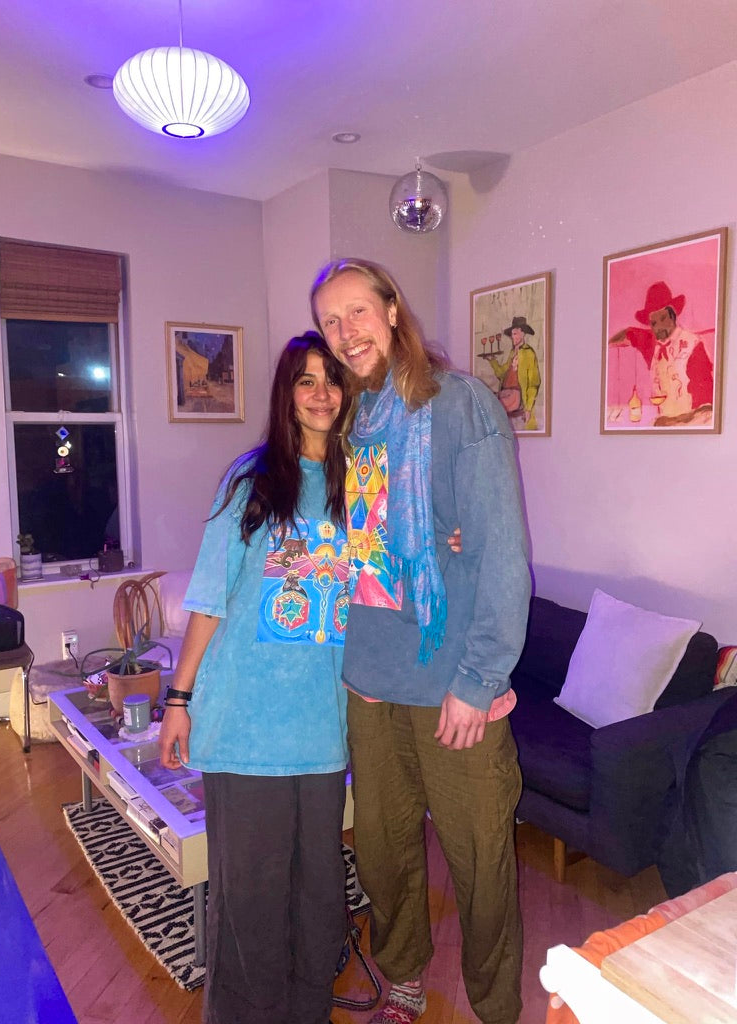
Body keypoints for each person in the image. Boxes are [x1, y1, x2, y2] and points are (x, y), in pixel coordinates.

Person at [311, 259, 531, 1024]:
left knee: (480, 863)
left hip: (451, 688)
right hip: (369, 681)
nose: (345, 332)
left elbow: (502, 553)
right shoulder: (348, 422)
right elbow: (346, 545)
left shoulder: (461, 405)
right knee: (382, 852)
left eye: (357, 311)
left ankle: (495, 1007)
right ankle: (402, 976)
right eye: (330, 321)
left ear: (393, 310)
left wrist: (479, 679)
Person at [158, 332, 352, 1024]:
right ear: (286, 394)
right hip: (245, 726)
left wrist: (446, 539)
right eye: (306, 380)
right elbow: (210, 595)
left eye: (332, 379)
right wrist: (178, 698)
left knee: (319, 895)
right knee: (250, 898)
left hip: (322, 730)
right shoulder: (252, 481)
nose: (321, 393)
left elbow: (391, 575)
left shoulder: (360, 486)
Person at [608, 280, 714, 426]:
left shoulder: (694, 346)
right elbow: (627, 334)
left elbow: (707, 409)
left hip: (691, 425)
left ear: (673, 316)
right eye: (654, 323)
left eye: (663, 318)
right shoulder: (651, 343)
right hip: (663, 424)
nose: (659, 327)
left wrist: (673, 421)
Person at [490, 315, 541, 430]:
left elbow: (533, 384)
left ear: (523, 334)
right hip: (505, 392)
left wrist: (528, 408)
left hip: (516, 395)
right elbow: (501, 373)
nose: (513, 337)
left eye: (515, 334)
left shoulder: (529, 353)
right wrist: (492, 361)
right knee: (487, 399)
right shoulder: (512, 353)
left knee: (493, 407)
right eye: (512, 335)